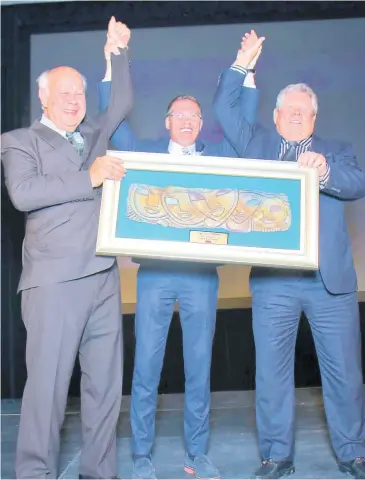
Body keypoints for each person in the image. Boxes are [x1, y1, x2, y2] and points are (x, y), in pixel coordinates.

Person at [98, 38, 263, 480]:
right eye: (180, 115)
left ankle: (197, 453)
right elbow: (113, 124)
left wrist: (246, 73)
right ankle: (141, 458)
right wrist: (113, 65)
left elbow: (244, 122)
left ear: (201, 123)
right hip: (154, 277)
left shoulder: (220, 160)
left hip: (201, 280)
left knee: (199, 370)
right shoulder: (144, 154)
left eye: (194, 115)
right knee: (147, 368)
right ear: (168, 122)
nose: (187, 121)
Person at [213, 30, 365, 480]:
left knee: (344, 375)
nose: (296, 116)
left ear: (313, 119)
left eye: (304, 111)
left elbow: (356, 184)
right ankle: (277, 456)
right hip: (274, 282)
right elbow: (224, 107)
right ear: (275, 117)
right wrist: (241, 63)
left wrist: (325, 171)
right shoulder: (257, 144)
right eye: (289, 110)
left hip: (329, 283)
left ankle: (354, 453)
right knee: (272, 375)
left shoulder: (337, 151)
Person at [1, 17, 133, 480]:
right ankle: (34, 474)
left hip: (103, 278)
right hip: (54, 283)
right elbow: (24, 194)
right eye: (65, 93)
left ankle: (99, 473)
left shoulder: (95, 134)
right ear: (44, 97)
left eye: (79, 93)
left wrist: (115, 53)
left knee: (104, 390)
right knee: (48, 391)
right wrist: (90, 177)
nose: (75, 101)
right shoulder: (19, 142)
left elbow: (121, 100)